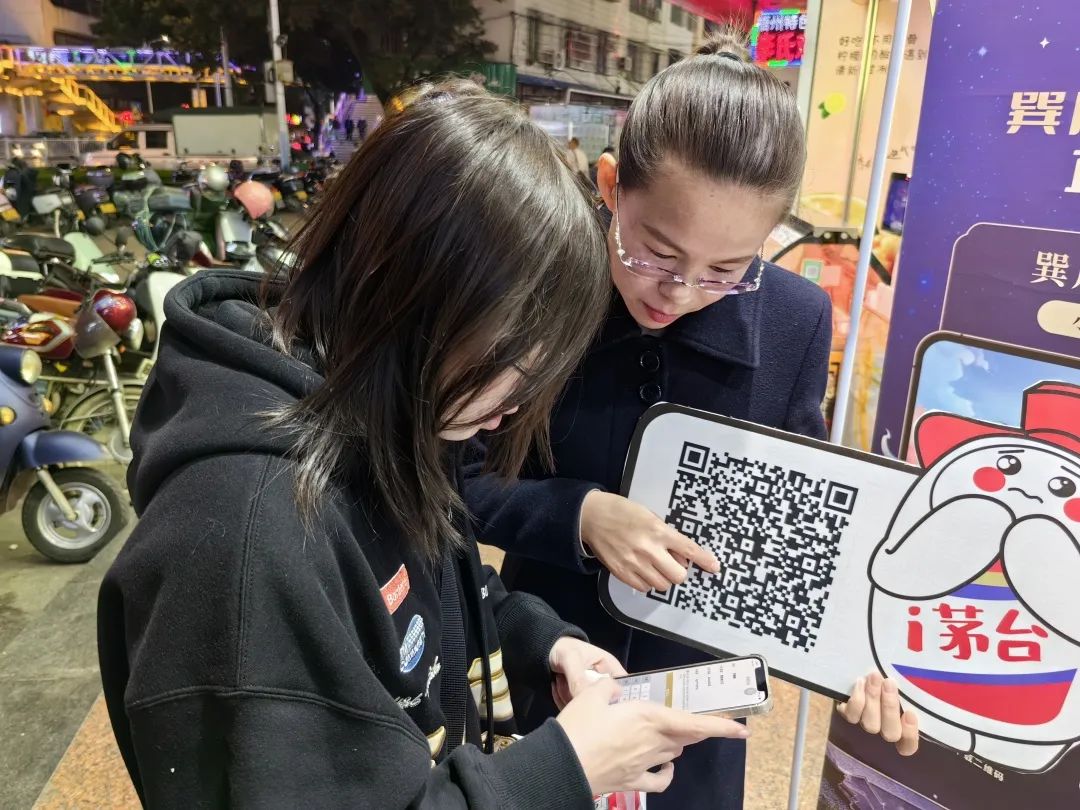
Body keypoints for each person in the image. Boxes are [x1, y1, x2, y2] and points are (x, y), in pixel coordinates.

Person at [96, 80, 748, 809]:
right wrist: (564, 771)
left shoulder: (385, 409)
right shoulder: (247, 547)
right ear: (420, 301)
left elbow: (430, 597)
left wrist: (539, 646)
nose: (516, 406)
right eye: (515, 365)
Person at [465, 33, 920, 810]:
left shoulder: (794, 319)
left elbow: (800, 523)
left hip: (701, 693)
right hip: (552, 660)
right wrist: (580, 515)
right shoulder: (540, 289)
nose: (678, 291)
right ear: (611, 186)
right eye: (656, 253)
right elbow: (454, 479)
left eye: (725, 271)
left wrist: (860, 655)